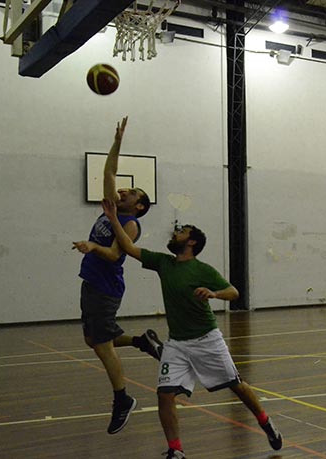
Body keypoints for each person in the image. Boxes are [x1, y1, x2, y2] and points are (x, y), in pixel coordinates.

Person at [101, 199, 283, 459]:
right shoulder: (164, 263)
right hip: (176, 344)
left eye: (181, 231)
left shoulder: (202, 270)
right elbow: (128, 247)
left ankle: (266, 422)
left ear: (192, 242)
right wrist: (113, 218)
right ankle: (176, 451)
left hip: (207, 341)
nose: (175, 233)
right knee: (164, 395)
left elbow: (233, 292)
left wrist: (213, 292)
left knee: (237, 386)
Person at [72, 116, 163, 435]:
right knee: (92, 338)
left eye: (132, 193)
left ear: (138, 206)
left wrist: (91, 247)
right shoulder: (113, 206)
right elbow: (109, 170)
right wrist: (118, 141)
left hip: (105, 287)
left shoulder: (130, 225)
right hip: (92, 283)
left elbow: (113, 254)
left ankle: (122, 400)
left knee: (101, 345)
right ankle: (142, 340)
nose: (123, 191)